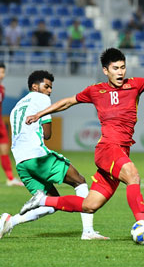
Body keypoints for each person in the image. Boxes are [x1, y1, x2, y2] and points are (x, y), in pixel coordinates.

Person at [20, 48, 144, 236]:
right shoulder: (96, 90)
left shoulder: (135, 85)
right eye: (115, 68)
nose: (120, 72)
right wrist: (40, 114)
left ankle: (42, 201)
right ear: (106, 71)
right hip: (108, 148)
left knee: (89, 205)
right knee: (133, 176)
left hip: (121, 150)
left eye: (123, 68)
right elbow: (68, 102)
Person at [0, 70, 107, 240]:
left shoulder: (16, 108)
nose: (49, 91)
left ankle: (9, 222)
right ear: (35, 86)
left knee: (52, 203)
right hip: (38, 158)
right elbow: (47, 134)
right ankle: (88, 231)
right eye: (46, 86)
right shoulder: (41, 99)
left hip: (21, 164)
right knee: (79, 181)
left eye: (51, 88)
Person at [0, 63, 23, 186]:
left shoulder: (2, 89)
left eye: (3, 72)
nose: (2, 75)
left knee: (5, 150)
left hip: (0, 123)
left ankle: (10, 178)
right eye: (0, 72)